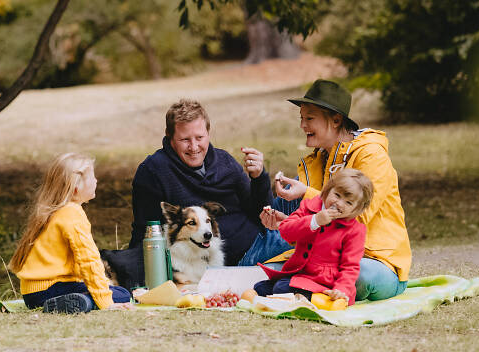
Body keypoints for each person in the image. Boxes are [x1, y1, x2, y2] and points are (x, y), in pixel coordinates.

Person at [259, 79, 412, 301]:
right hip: (324, 260)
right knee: (271, 268)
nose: (303, 126)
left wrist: (307, 193)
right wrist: (288, 223)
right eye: (301, 119)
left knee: (359, 277)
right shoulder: (319, 159)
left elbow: (358, 215)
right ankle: (306, 289)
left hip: (375, 260)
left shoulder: (371, 155)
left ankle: (304, 288)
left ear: (336, 120)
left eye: (309, 118)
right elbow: (318, 226)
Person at [129, 99, 272, 265]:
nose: (194, 146)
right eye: (185, 140)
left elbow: (263, 213)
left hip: (260, 243)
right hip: (226, 262)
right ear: (170, 137)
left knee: (301, 205)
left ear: (208, 133)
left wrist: (259, 177)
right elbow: (145, 233)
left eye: (199, 137)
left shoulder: (225, 161)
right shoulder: (153, 171)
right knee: (303, 247)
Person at [9, 153, 133, 313]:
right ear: (76, 187)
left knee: (113, 290)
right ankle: (84, 302)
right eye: (93, 177)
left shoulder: (53, 211)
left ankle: (73, 301)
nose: (96, 181)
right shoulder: (72, 213)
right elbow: (88, 259)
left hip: (32, 294)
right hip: (52, 290)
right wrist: (105, 301)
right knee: (122, 294)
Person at [255, 169, 374, 306]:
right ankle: (296, 296)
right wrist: (314, 221)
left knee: (280, 288)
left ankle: (323, 300)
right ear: (328, 190)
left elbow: (350, 266)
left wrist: (341, 290)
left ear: (356, 209)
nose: (339, 203)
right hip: (299, 273)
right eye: (337, 195)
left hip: (324, 282)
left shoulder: (355, 230)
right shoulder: (309, 207)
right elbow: (286, 231)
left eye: (348, 203)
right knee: (260, 287)